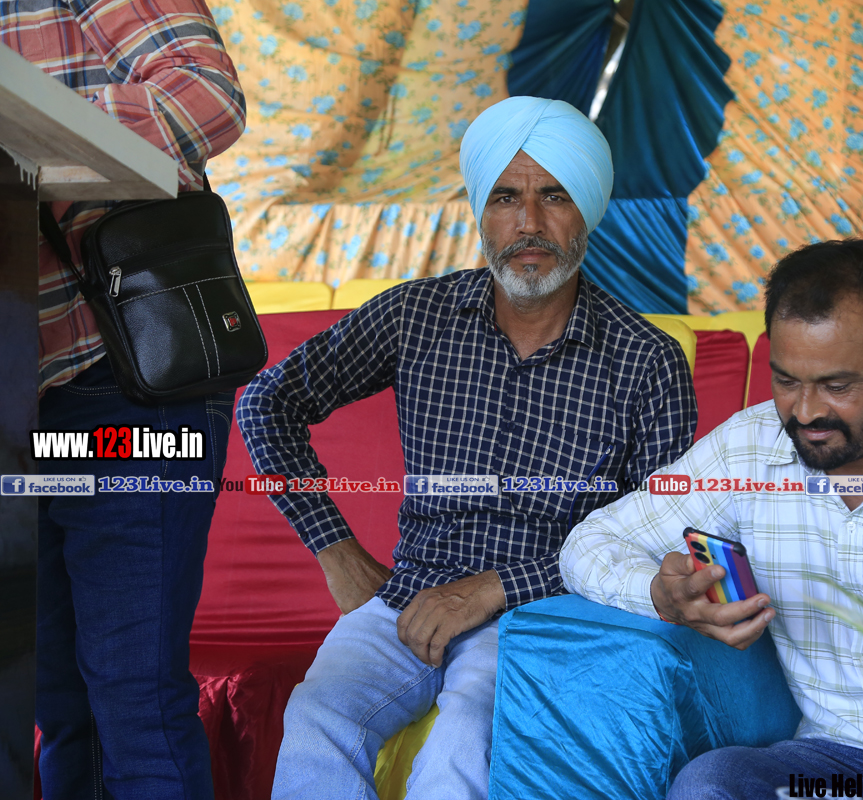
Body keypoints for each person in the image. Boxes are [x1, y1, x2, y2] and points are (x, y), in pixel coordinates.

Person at [238, 95, 697, 799]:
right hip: (406, 597)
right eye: (506, 197)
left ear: (587, 211)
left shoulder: (646, 360)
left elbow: (653, 538)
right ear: (482, 210)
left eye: (554, 196)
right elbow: (266, 402)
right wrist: (335, 550)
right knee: (316, 719)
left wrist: (494, 589)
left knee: (464, 743)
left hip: (542, 616)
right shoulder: (416, 315)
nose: (529, 223)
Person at [560, 239, 863, 796]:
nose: (805, 412)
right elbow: (590, 542)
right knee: (710, 785)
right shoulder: (748, 449)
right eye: (786, 381)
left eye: (837, 386)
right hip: (833, 757)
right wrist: (659, 596)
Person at [0, 0, 246, 796]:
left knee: (133, 700)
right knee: (56, 704)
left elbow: (207, 96)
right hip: (18, 402)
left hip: (125, 382)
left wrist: (26, 136)